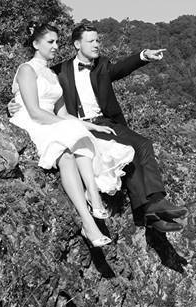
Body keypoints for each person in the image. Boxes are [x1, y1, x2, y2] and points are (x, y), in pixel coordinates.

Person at [8, 22, 135, 248]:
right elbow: (34, 110)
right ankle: (89, 217)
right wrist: (71, 126)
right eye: (50, 42)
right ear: (36, 44)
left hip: (51, 121)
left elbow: (64, 113)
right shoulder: (27, 69)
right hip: (32, 121)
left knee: (74, 144)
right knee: (68, 146)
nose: (56, 46)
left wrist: (91, 127)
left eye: (57, 41)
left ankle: (92, 202)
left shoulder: (52, 74)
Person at [52, 22, 187, 233]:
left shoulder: (102, 65)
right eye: (91, 41)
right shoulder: (59, 70)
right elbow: (37, 85)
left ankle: (156, 202)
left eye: (97, 40)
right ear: (77, 44)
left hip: (106, 122)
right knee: (128, 154)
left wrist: (143, 55)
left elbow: (121, 68)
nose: (96, 44)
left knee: (143, 144)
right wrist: (14, 102)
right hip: (81, 126)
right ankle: (148, 215)